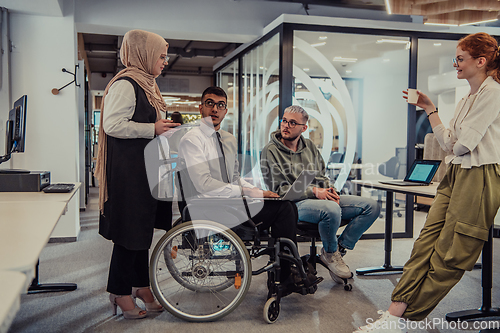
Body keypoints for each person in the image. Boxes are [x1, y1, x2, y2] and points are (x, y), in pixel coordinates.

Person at [355, 32, 500, 333]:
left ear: (481, 61)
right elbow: (449, 144)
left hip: (481, 175)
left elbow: (463, 144)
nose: (455, 64)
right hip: (457, 172)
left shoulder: (494, 94)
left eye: (460, 58)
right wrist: (429, 108)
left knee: (452, 252)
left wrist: (455, 140)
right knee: (425, 244)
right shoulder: (466, 99)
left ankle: (403, 318)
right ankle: (394, 315)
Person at [178, 86, 309, 290]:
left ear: (225, 112)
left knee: (284, 204)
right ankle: (284, 276)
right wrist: (246, 192)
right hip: (210, 207)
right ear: (200, 108)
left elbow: (235, 178)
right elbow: (203, 184)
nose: (215, 109)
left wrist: (259, 191)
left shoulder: (228, 139)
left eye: (220, 105)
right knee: (284, 211)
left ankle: (285, 270)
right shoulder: (192, 140)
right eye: (210, 103)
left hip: (230, 202)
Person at [94, 29, 180, 319]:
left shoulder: (148, 85)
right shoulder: (126, 84)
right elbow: (112, 125)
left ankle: (140, 285)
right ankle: (119, 291)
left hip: (144, 171)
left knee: (140, 232)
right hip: (129, 174)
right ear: (144, 54)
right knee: (128, 234)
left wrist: (163, 130)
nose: (164, 61)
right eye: (161, 55)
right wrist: (152, 129)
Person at [261, 105, 379, 283]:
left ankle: (337, 248)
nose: (286, 125)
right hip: (292, 205)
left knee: (372, 207)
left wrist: (330, 190)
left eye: (292, 123)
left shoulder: (309, 147)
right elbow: (279, 191)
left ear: (303, 128)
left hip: (319, 198)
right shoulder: (270, 151)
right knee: (330, 209)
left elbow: (321, 176)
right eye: (284, 120)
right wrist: (314, 191)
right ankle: (331, 254)